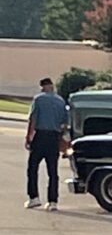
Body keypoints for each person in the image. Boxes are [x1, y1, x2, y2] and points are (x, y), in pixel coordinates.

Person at [25, 77, 68, 211]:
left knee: (32, 167)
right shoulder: (61, 101)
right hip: (54, 137)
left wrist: (28, 137)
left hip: (41, 136)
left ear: (42, 87)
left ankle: (34, 198)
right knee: (53, 171)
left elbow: (33, 119)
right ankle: (53, 201)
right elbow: (64, 124)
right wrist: (63, 141)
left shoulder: (39, 99)